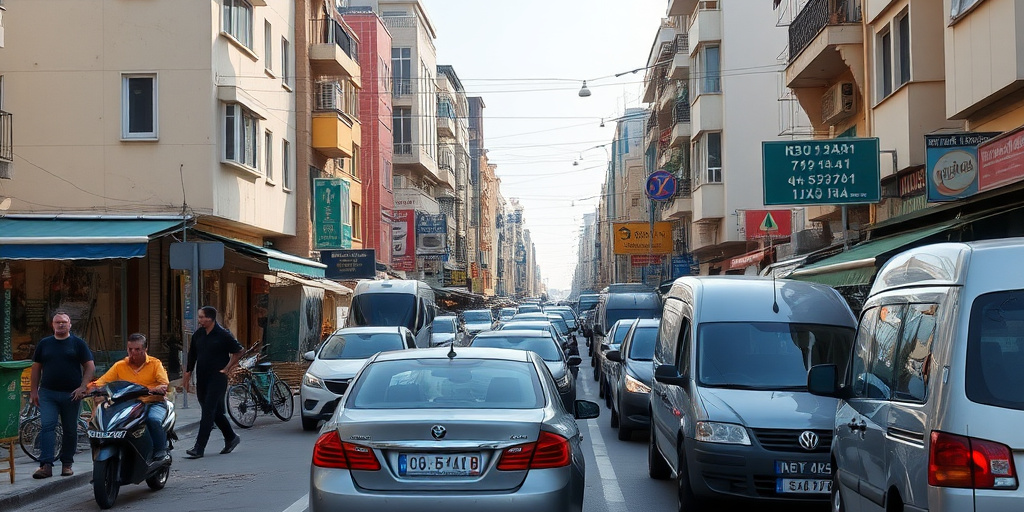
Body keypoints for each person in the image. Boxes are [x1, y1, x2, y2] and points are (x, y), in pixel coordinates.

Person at [29, 311, 95, 479]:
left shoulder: (78, 344)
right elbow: (36, 368)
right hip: (48, 394)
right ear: (52, 325)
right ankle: (46, 465)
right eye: (57, 322)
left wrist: (82, 387)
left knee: (70, 430)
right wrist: (34, 391)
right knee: (47, 426)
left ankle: (67, 464)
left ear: (70, 325)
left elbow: (90, 366)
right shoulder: (45, 344)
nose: (60, 325)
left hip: (71, 394)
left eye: (64, 322)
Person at [89, 333, 171, 460]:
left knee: (153, 420)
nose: (133, 353)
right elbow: (102, 381)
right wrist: (93, 388)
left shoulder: (155, 364)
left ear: (145, 349)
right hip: (126, 404)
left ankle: (161, 450)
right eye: (130, 349)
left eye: (137, 349)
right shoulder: (120, 365)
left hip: (152, 403)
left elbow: (163, 384)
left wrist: (158, 389)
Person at [183, 306, 243, 459]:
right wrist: (188, 374)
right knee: (212, 410)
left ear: (210, 318)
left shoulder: (223, 335)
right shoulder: (199, 334)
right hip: (202, 377)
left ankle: (199, 447)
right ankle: (231, 437)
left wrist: (228, 367)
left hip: (217, 377)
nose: (200, 320)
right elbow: (192, 354)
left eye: (202, 317)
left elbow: (238, 351)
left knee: (208, 411)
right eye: (199, 317)